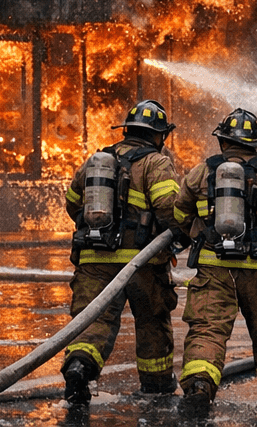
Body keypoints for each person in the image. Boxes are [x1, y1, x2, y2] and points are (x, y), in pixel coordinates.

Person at [173, 108, 257, 417]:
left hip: (214, 269)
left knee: (207, 330)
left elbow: (179, 216)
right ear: (256, 144)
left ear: (222, 141)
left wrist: (192, 232)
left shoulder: (200, 173)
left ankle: (199, 385)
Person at [61, 100, 181, 405]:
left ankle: (79, 366)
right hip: (142, 261)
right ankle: (156, 387)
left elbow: (73, 202)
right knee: (152, 322)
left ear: (126, 130)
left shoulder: (98, 160)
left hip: (94, 258)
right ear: (158, 135)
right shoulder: (156, 162)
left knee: (91, 321)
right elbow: (169, 209)